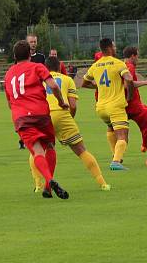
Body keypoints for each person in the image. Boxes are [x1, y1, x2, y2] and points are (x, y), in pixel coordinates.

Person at [29, 56, 111, 192]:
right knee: (81, 150)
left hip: (42, 116)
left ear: (45, 68)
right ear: (60, 67)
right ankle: (102, 183)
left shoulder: (39, 81)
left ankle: (38, 185)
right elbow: (72, 105)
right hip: (61, 115)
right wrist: (70, 118)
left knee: (36, 151)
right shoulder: (67, 80)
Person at [4, 40, 70, 199]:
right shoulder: (37, 67)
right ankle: (48, 187)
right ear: (30, 55)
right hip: (41, 113)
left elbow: (9, 101)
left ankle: (49, 180)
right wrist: (61, 101)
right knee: (50, 146)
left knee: (37, 150)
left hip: (21, 117)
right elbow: (53, 86)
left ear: (14, 56)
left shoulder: (8, 74)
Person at [81, 38, 136, 171]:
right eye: (115, 46)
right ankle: (116, 162)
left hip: (101, 107)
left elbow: (84, 83)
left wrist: (98, 87)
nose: (116, 49)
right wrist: (129, 96)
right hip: (115, 105)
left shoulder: (96, 65)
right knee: (123, 135)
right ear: (110, 47)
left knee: (111, 128)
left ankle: (115, 156)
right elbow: (129, 79)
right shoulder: (118, 63)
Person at [122, 46, 147, 165]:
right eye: (137, 56)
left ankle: (144, 144)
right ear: (133, 56)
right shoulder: (130, 66)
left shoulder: (121, 65)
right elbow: (127, 84)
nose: (138, 59)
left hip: (123, 106)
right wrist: (146, 82)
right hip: (133, 107)